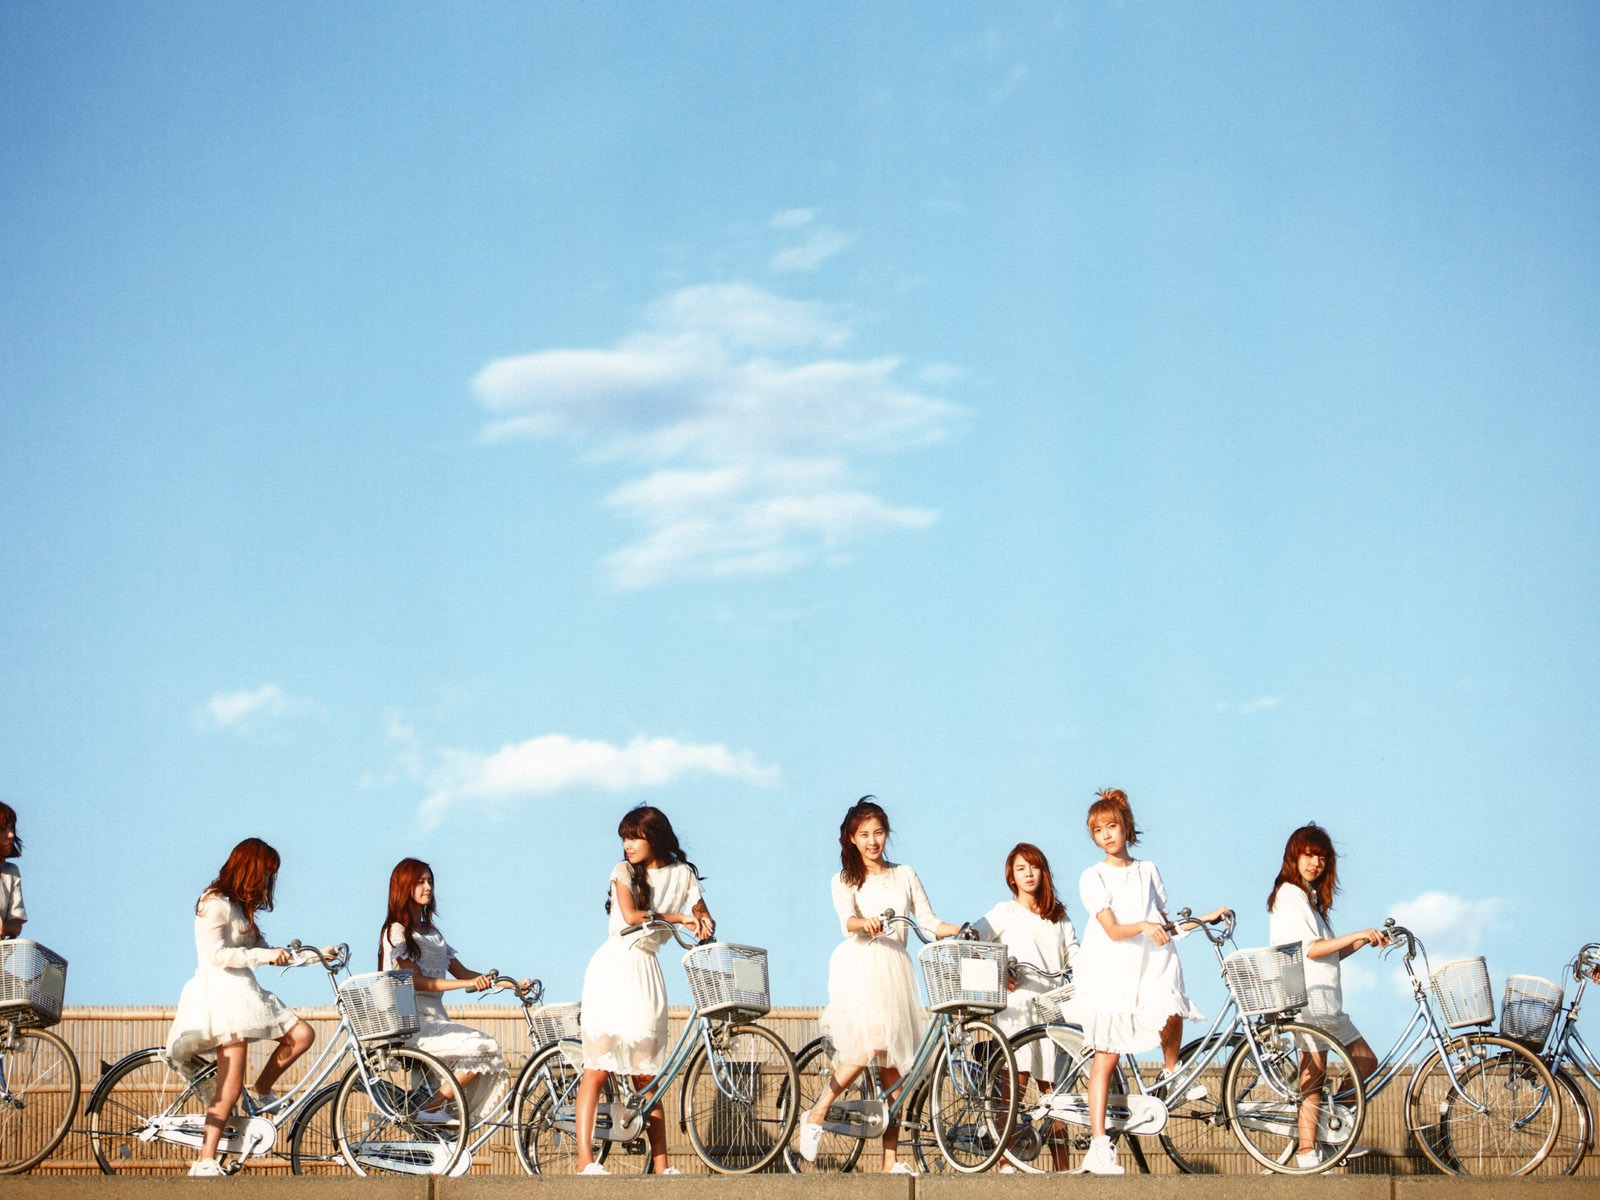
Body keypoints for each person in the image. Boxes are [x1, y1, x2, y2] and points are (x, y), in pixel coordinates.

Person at [798, 797, 963, 1175]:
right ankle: (817, 1111)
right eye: (864, 834)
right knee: (871, 1044)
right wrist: (865, 922)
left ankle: (890, 1161)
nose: (872, 841)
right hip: (863, 965)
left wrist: (959, 928)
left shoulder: (905, 874)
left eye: (878, 833)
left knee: (895, 1076)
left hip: (897, 970)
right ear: (852, 839)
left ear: (887, 834)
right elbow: (847, 921)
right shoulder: (844, 879)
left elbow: (928, 921)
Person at [1073, 788, 1229, 1175]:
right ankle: (1098, 1145)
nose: (1106, 835)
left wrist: (1202, 918)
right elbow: (1112, 930)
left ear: (1126, 826)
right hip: (1111, 968)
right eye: (1098, 830)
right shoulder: (1093, 876)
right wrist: (1144, 925)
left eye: (1111, 826)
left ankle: (1170, 1071)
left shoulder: (1148, 870)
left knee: (1171, 1003)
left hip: (1149, 962)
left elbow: (1163, 923)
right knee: (1106, 1056)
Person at [164, 838, 326, 1177]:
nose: (268, 880)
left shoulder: (240, 909)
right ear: (249, 868)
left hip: (245, 994)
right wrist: (264, 955)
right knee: (229, 1085)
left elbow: (274, 952)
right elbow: (216, 955)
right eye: (266, 872)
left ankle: (262, 1090)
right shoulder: (213, 903)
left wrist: (318, 956)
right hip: (222, 998)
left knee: (302, 1035)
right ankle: (205, 1160)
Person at [574, 806, 713, 1176]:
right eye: (625, 838)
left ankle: (663, 1166)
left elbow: (701, 910)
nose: (628, 845)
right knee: (597, 1068)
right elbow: (632, 916)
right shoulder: (622, 871)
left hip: (647, 971)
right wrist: (680, 918)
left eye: (634, 837)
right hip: (613, 967)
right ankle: (585, 1161)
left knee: (646, 1074)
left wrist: (704, 921)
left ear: (655, 837)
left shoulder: (683, 873)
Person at [1268, 822, 1388, 1168]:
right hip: (1307, 996)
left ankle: (1331, 1130)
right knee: (1314, 1075)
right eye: (1309, 855)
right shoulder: (1290, 895)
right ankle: (1307, 1151)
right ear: (1294, 857)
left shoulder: (1310, 900)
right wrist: (1356, 932)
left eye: (1321, 858)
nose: (1315, 863)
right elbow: (1311, 949)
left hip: (1326, 1001)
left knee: (1364, 1062)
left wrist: (1360, 940)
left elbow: (1328, 953)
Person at [380, 858, 522, 1126]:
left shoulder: (433, 933)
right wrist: (466, 985)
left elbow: (464, 972)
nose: (428, 887)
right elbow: (416, 981)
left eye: (430, 881)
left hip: (435, 1019)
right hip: (410, 1023)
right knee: (484, 1047)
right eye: (420, 882)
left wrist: (510, 984)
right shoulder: (397, 931)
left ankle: (432, 1112)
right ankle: (431, 1109)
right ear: (403, 887)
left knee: (481, 1050)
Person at [975, 842, 1079, 1172]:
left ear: (1043, 872)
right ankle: (1006, 1159)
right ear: (1012, 877)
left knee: (1055, 1092)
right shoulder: (1004, 912)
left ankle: (1063, 1167)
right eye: (1021, 869)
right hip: (1016, 1007)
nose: (1028, 874)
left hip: (1052, 1006)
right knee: (1015, 1080)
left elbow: (1075, 953)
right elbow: (973, 940)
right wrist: (998, 969)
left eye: (1034, 867)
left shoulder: (1058, 916)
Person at [0, 801, 24, 938]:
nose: (11, 835)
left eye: (11, 828)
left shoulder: (11, 872)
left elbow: (17, 923)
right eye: (2, 830)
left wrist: (4, 927)